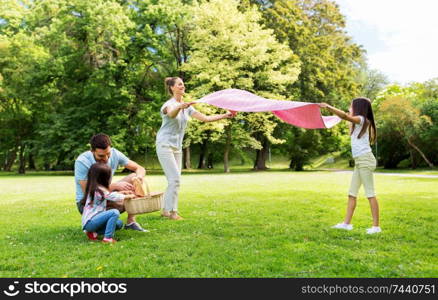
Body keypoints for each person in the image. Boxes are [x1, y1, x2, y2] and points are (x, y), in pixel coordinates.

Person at [156, 77, 236, 220]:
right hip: (164, 145)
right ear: (172, 88)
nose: (183, 86)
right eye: (179, 84)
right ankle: (173, 213)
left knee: (174, 180)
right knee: (175, 180)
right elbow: (171, 114)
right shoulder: (169, 104)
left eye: (183, 84)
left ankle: (165, 210)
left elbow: (205, 118)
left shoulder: (188, 107)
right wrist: (181, 107)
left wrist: (225, 115)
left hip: (177, 147)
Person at [319, 97, 381, 234]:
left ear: (358, 108)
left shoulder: (362, 120)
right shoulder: (358, 122)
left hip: (365, 160)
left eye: (351, 106)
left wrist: (329, 107)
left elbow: (345, 116)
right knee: (351, 194)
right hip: (359, 161)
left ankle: (376, 227)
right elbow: (344, 117)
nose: (349, 107)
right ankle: (346, 224)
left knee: (370, 193)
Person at [74, 133, 147, 232]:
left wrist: (138, 178)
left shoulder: (115, 153)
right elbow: (88, 191)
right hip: (88, 204)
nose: (106, 159)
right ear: (92, 151)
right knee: (117, 220)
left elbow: (139, 168)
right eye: (101, 156)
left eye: (108, 154)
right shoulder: (82, 161)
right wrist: (115, 186)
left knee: (134, 177)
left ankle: (131, 222)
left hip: (105, 196)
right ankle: (96, 225)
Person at [81, 163, 136, 243]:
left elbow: (109, 194)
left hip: (94, 221)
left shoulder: (97, 188)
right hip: (90, 222)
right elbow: (111, 196)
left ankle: (93, 233)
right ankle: (107, 238)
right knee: (114, 212)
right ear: (104, 178)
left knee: (118, 224)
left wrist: (123, 192)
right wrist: (126, 196)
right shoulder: (98, 189)